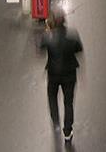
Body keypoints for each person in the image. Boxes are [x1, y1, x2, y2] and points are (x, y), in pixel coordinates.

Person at [39, 10, 83, 142]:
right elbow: (79, 49)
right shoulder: (72, 35)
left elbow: (40, 49)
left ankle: (56, 122)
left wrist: (47, 32)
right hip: (69, 75)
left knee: (52, 98)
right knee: (68, 102)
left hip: (53, 74)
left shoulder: (48, 37)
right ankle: (67, 131)